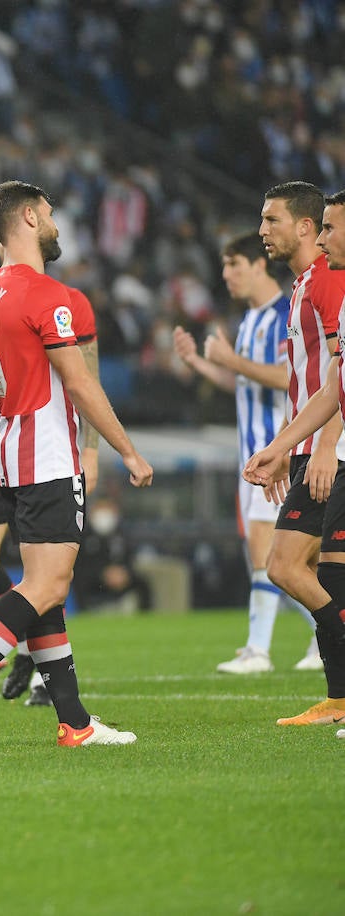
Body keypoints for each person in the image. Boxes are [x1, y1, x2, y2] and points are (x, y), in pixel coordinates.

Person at [0, 181, 153, 755]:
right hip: (47, 453)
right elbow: (78, 382)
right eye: (49, 215)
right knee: (47, 583)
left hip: (5, 453)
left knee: (45, 589)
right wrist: (125, 448)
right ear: (28, 217)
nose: (54, 225)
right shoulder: (46, 294)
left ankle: (73, 721)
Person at [0, 240, 102, 706]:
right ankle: (11, 654)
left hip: (42, 451)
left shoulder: (67, 303)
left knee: (44, 577)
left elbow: (85, 379)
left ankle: (67, 711)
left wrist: (91, 452)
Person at [173, 232, 320, 673]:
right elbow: (243, 384)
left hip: (277, 449)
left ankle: (259, 649)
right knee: (291, 562)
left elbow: (285, 377)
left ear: (259, 265)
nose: (226, 274)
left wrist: (230, 361)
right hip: (252, 452)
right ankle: (323, 636)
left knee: (269, 555)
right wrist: (203, 364)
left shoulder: (283, 314)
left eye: (234, 264)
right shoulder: (251, 320)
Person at [244, 188, 345, 734]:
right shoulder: (306, 284)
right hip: (311, 447)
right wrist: (285, 446)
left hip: (331, 450)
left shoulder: (329, 280)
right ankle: (339, 697)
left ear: (307, 226)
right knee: (321, 573)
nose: (264, 230)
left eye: (272, 219)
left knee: (285, 565)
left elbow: (339, 378)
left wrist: (323, 445)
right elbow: (318, 384)